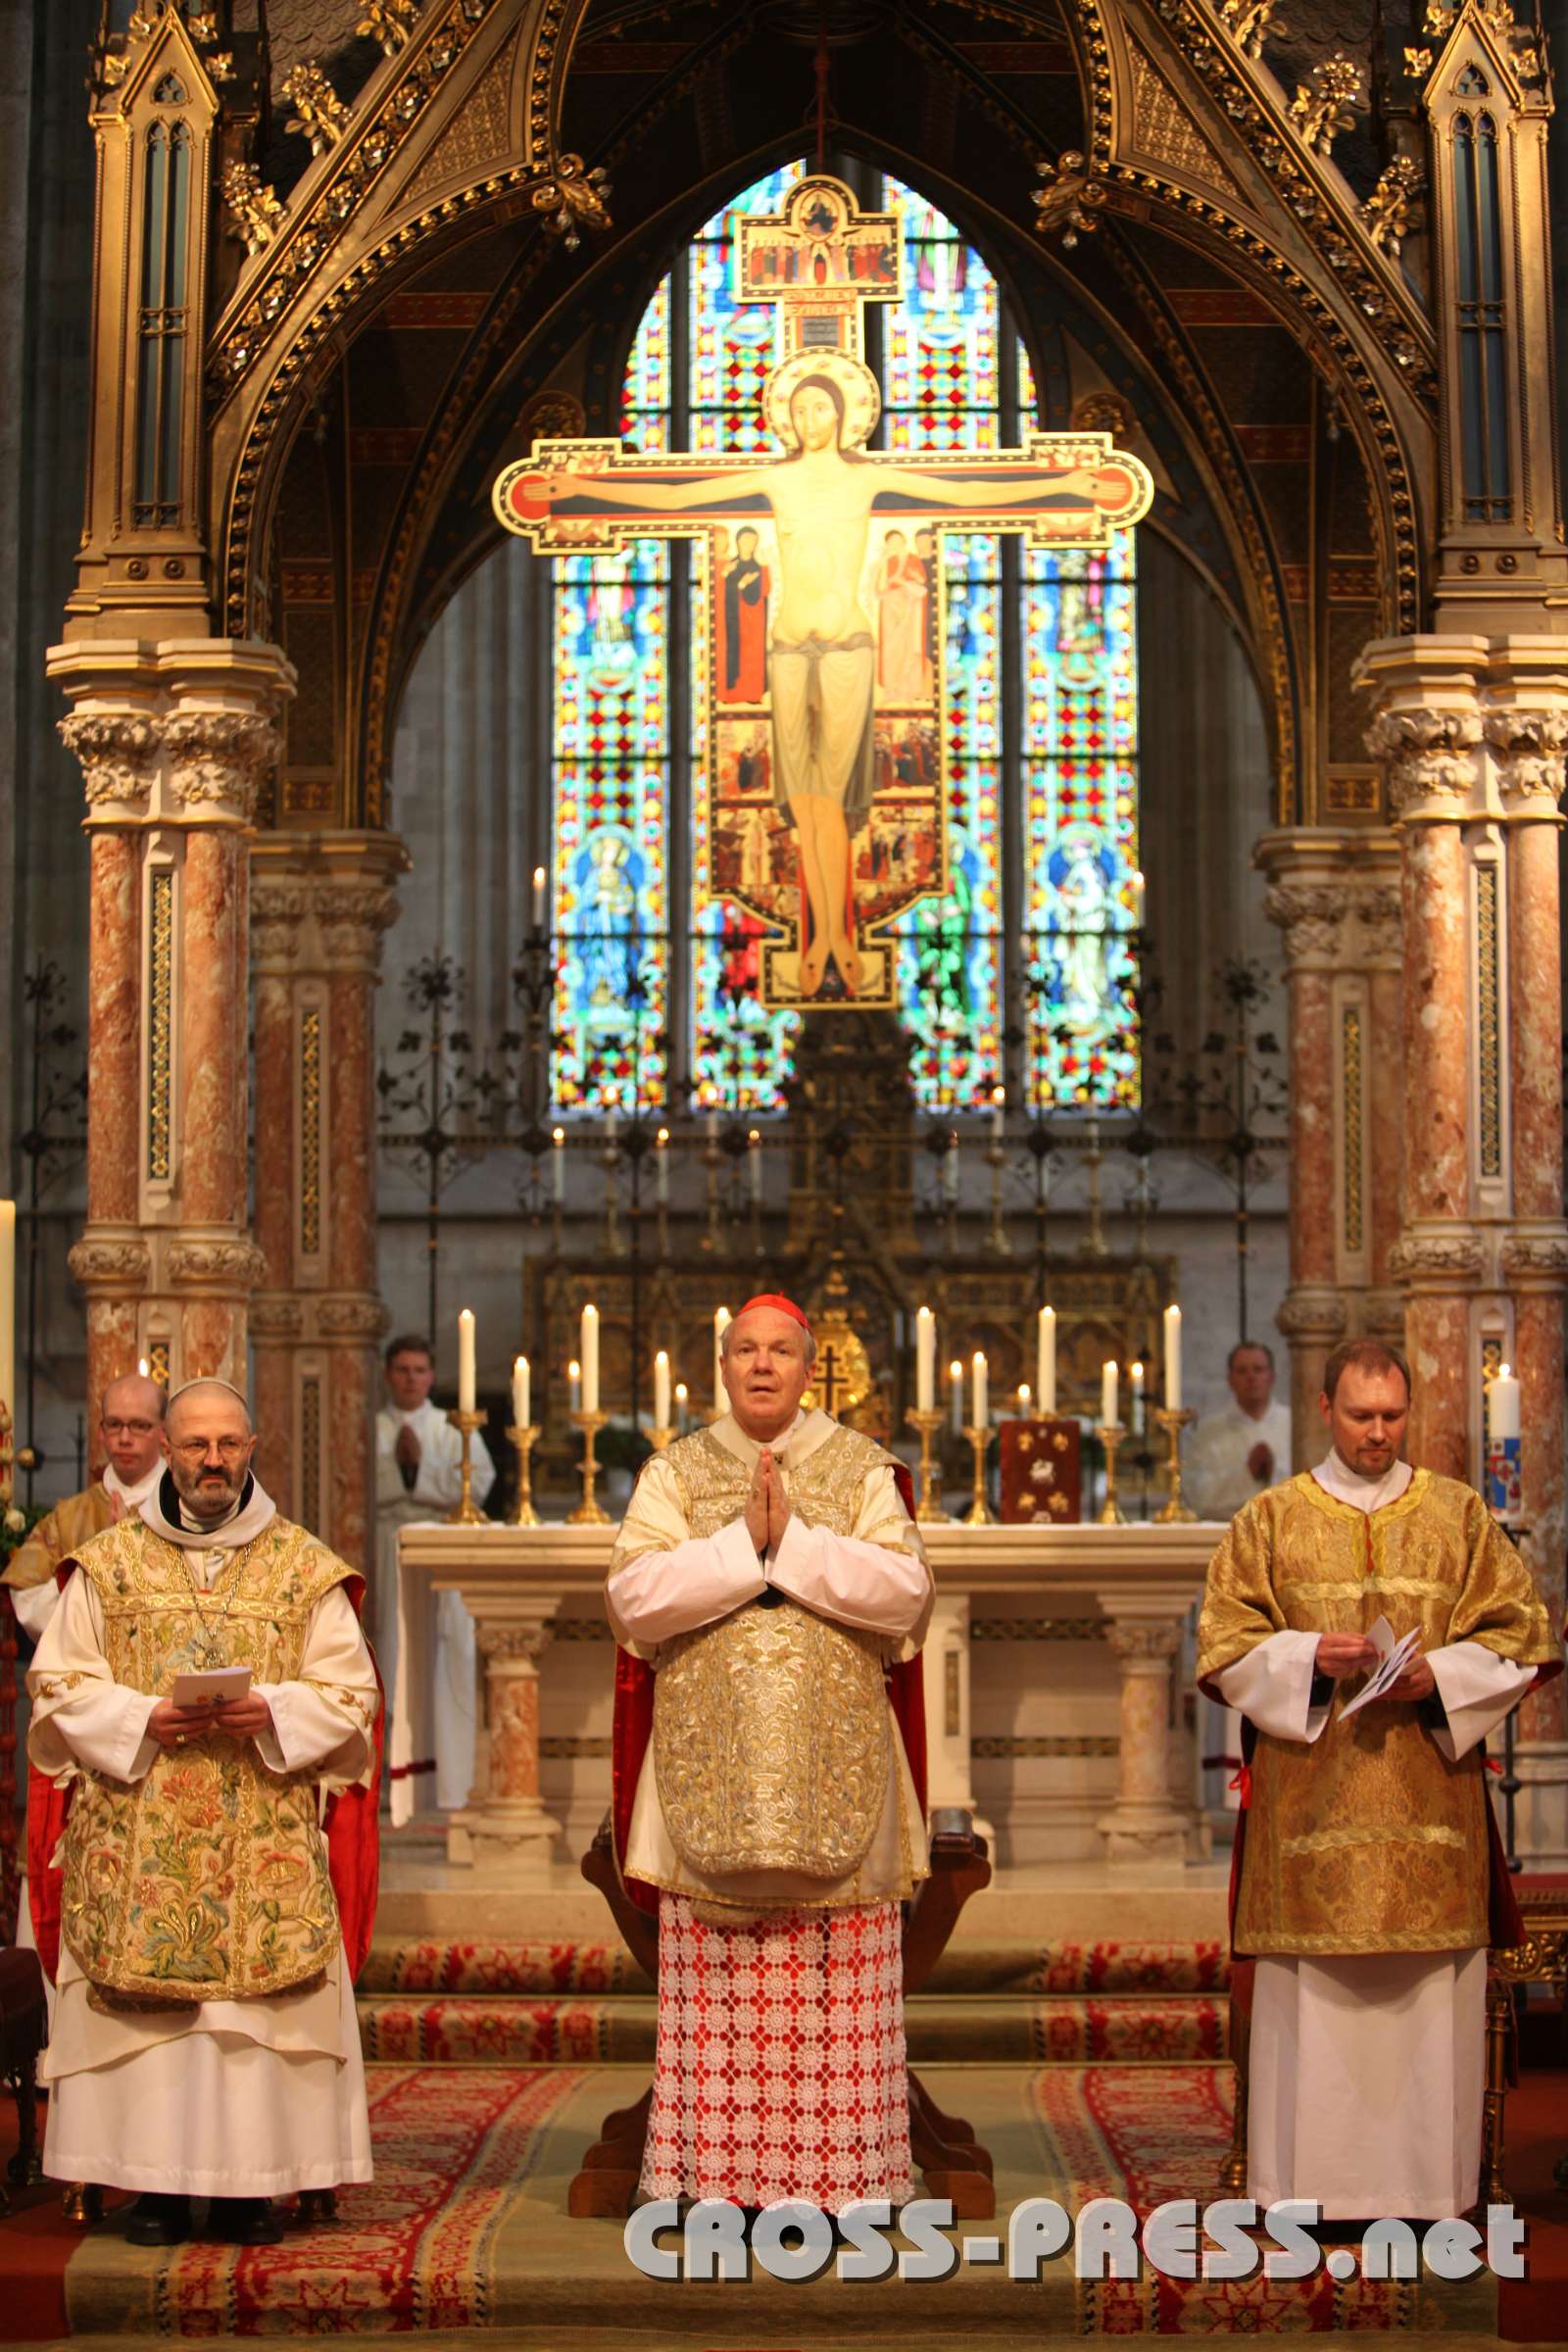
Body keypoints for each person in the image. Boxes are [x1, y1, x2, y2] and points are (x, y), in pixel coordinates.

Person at [523, 368, 1132, 1001]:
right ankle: (824, 937)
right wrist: (583, 487)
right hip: (787, 649)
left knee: (835, 798)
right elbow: (678, 497)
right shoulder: (775, 478)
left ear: (844, 415)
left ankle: (834, 938)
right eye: (801, 409)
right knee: (805, 801)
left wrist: (1063, 483)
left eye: (821, 408)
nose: (810, 419)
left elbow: (965, 491)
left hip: (847, 648)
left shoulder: (866, 478)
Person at [1196, 1339, 1560, 2224]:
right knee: (1316, 2015)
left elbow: (1523, 1636)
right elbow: (1224, 1646)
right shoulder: (1270, 1520)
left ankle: (1429, 2195)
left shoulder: (1459, 1514)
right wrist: (1306, 1658)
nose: (1378, 1432)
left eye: (1393, 1416)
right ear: (1326, 1408)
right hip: (1309, 1816)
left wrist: (1442, 1676)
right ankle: (1308, 2194)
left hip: (1430, 1813)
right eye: (1361, 1415)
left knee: (1426, 2012)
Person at [27, 1379, 379, 2245]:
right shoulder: (107, 1565)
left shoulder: (305, 1566)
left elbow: (351, 1693)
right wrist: (139, 1718)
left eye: (227, 1444)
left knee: (246, 2026)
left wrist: (277, 1713)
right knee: (157, 2027)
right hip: (138, 1834)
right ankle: (151, 2188)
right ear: (168, 1451)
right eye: (195, 1445)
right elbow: (58, 1683)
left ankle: (247, 2192)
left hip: (261, 1836)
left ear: (252, 1446)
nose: (212, 1461)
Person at [607, 1293, 932, 2214]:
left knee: (835, 1994)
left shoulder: (862, 1468)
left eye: (779, 1351)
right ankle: (715, 2187)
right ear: (721, 1365)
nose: (761, 1365)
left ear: (809, 1367)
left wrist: (791, 1543)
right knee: (722, 2004)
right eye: (745, 1350)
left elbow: (905, 1595)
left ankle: (841, 2186)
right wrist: (741, 1544)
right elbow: (633, 1601)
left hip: (838, 1768)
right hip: (709, 1769)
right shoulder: (674, 1473)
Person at [375, 1333, 494, 1813]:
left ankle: (444, 1768)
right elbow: (350, 1481)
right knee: (390, 1649)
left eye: (419, 1371)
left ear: (431, 1377)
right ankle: (390, 1768)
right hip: (386, 1545)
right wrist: (404, 1473)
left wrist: (419, 1469)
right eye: (402, 1370)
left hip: (440, 1546)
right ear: (388, 1375)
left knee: (441, 1653)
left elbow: (480, 1483)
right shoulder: (367, 1425)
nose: (411, 1379)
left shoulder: (451, 1427)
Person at [2, 1372, 167, 1642]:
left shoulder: (184, 1510)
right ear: (101, 1432)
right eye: (114, 1424)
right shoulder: (68, 1516)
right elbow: (27, 1596)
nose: (125, 1438)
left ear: (163, 1432)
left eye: (139, 1425)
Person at [1188, 1340, 1294, 1522]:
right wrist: (1247, 1473)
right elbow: (1198, 1498)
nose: (1251, 1377)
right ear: (1230, 1380)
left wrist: (1273, 1471)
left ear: (1272, 1377)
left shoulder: (1295, 1425)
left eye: (1258, 1369)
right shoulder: (1208, 1432)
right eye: (1242, 1371)